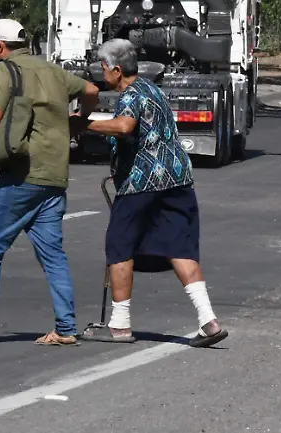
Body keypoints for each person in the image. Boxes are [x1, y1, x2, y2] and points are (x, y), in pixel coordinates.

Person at [0, 18, 100, 346]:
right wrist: (80, 120)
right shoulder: (52, 71)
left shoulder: (4, 71)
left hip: (22, 175)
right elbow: (92, 90)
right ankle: (65, 327)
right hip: (55, 176)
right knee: (53, 253)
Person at [80, 38, 228, 348]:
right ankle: (208, 321)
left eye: (104, 67)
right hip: (177, 178)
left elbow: (124, 127)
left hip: (143, 180)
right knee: (180, 247)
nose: (102, 71)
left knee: (119, 246)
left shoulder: (131, 95)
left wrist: (84, 125)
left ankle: (119, 324)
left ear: (117, 70)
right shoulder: (154, 90)